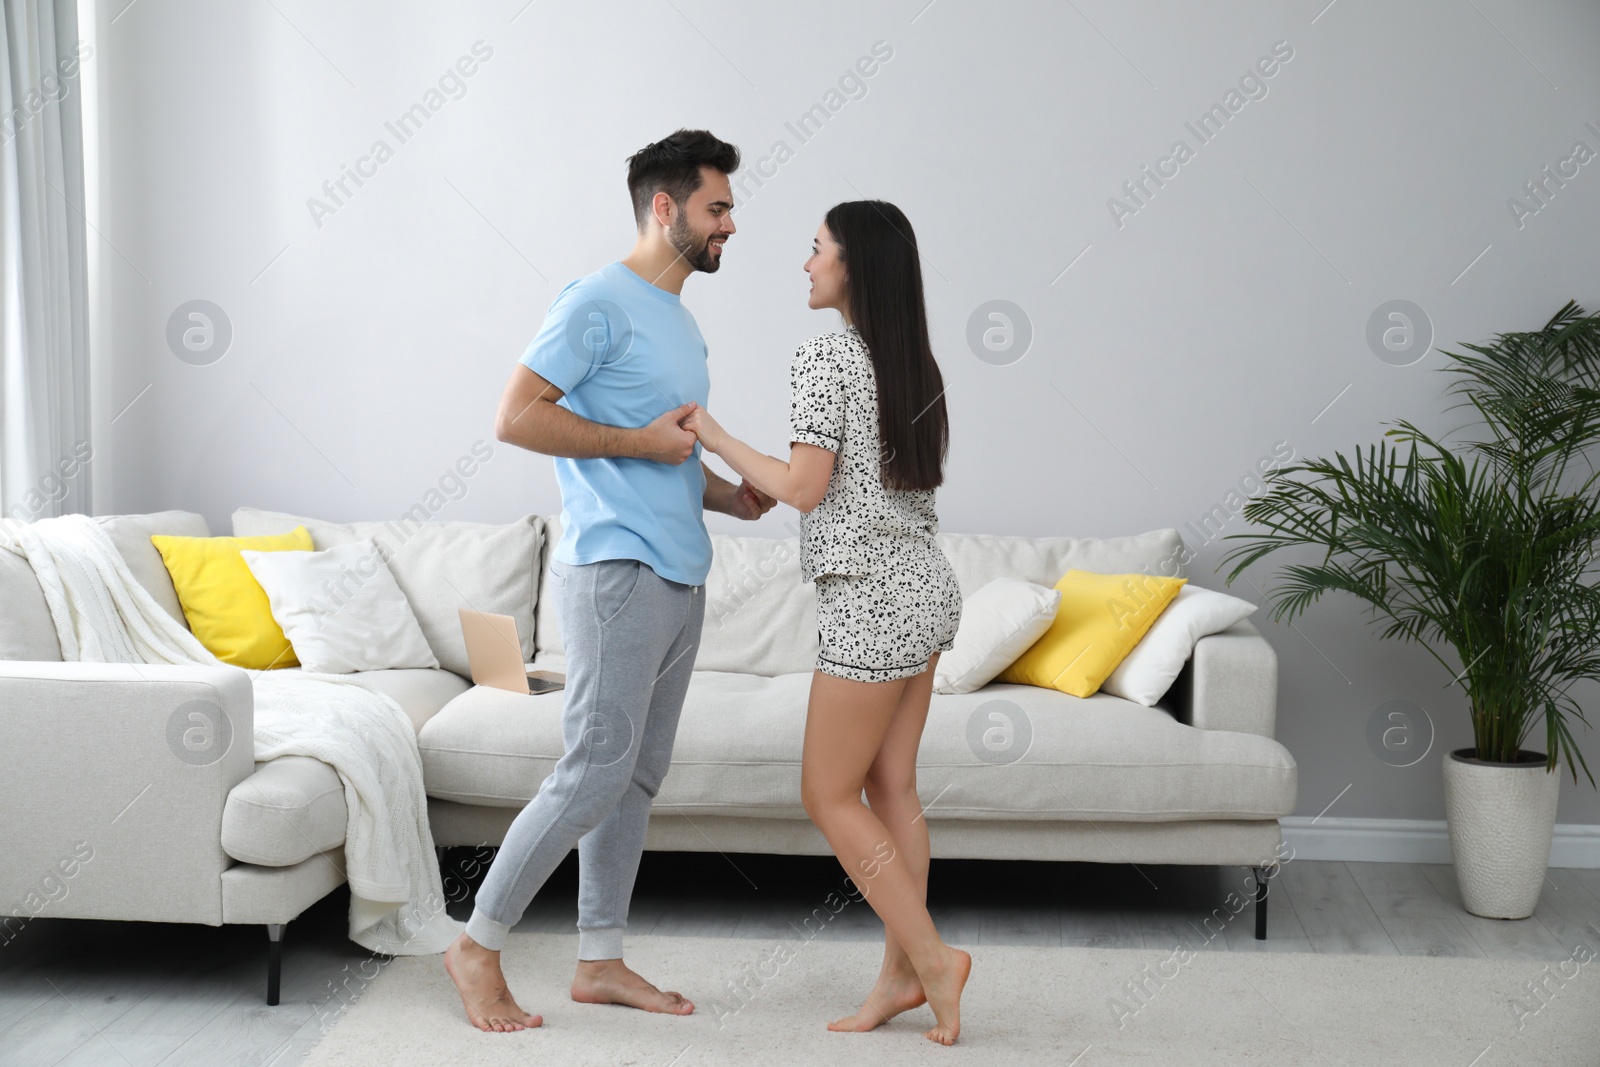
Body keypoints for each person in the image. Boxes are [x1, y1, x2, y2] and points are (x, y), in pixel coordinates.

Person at [443, 129, 776, 1033]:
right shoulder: (596, 301)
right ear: (665, 209)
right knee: (593, 767)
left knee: (634, 776)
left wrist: (723, 496)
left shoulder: (681, 320)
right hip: (617, 571)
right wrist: (640, 444)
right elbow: (516, 417)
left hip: (680, 574)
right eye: (718, 206)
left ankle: (600, 958)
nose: (731, 225)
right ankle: (476, 945)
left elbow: (664, 451)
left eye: (731, 208)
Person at [681, 200, 971, 1045]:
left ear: (854, 267)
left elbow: (805, 486)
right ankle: (900, 979)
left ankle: (931, 956)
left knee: (827, 790)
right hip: (923, 587)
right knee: (892, 788)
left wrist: (712, 432)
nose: (805, 266)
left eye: (816, 252)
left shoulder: (830, 353)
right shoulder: (911, 361)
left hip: (871, 597)